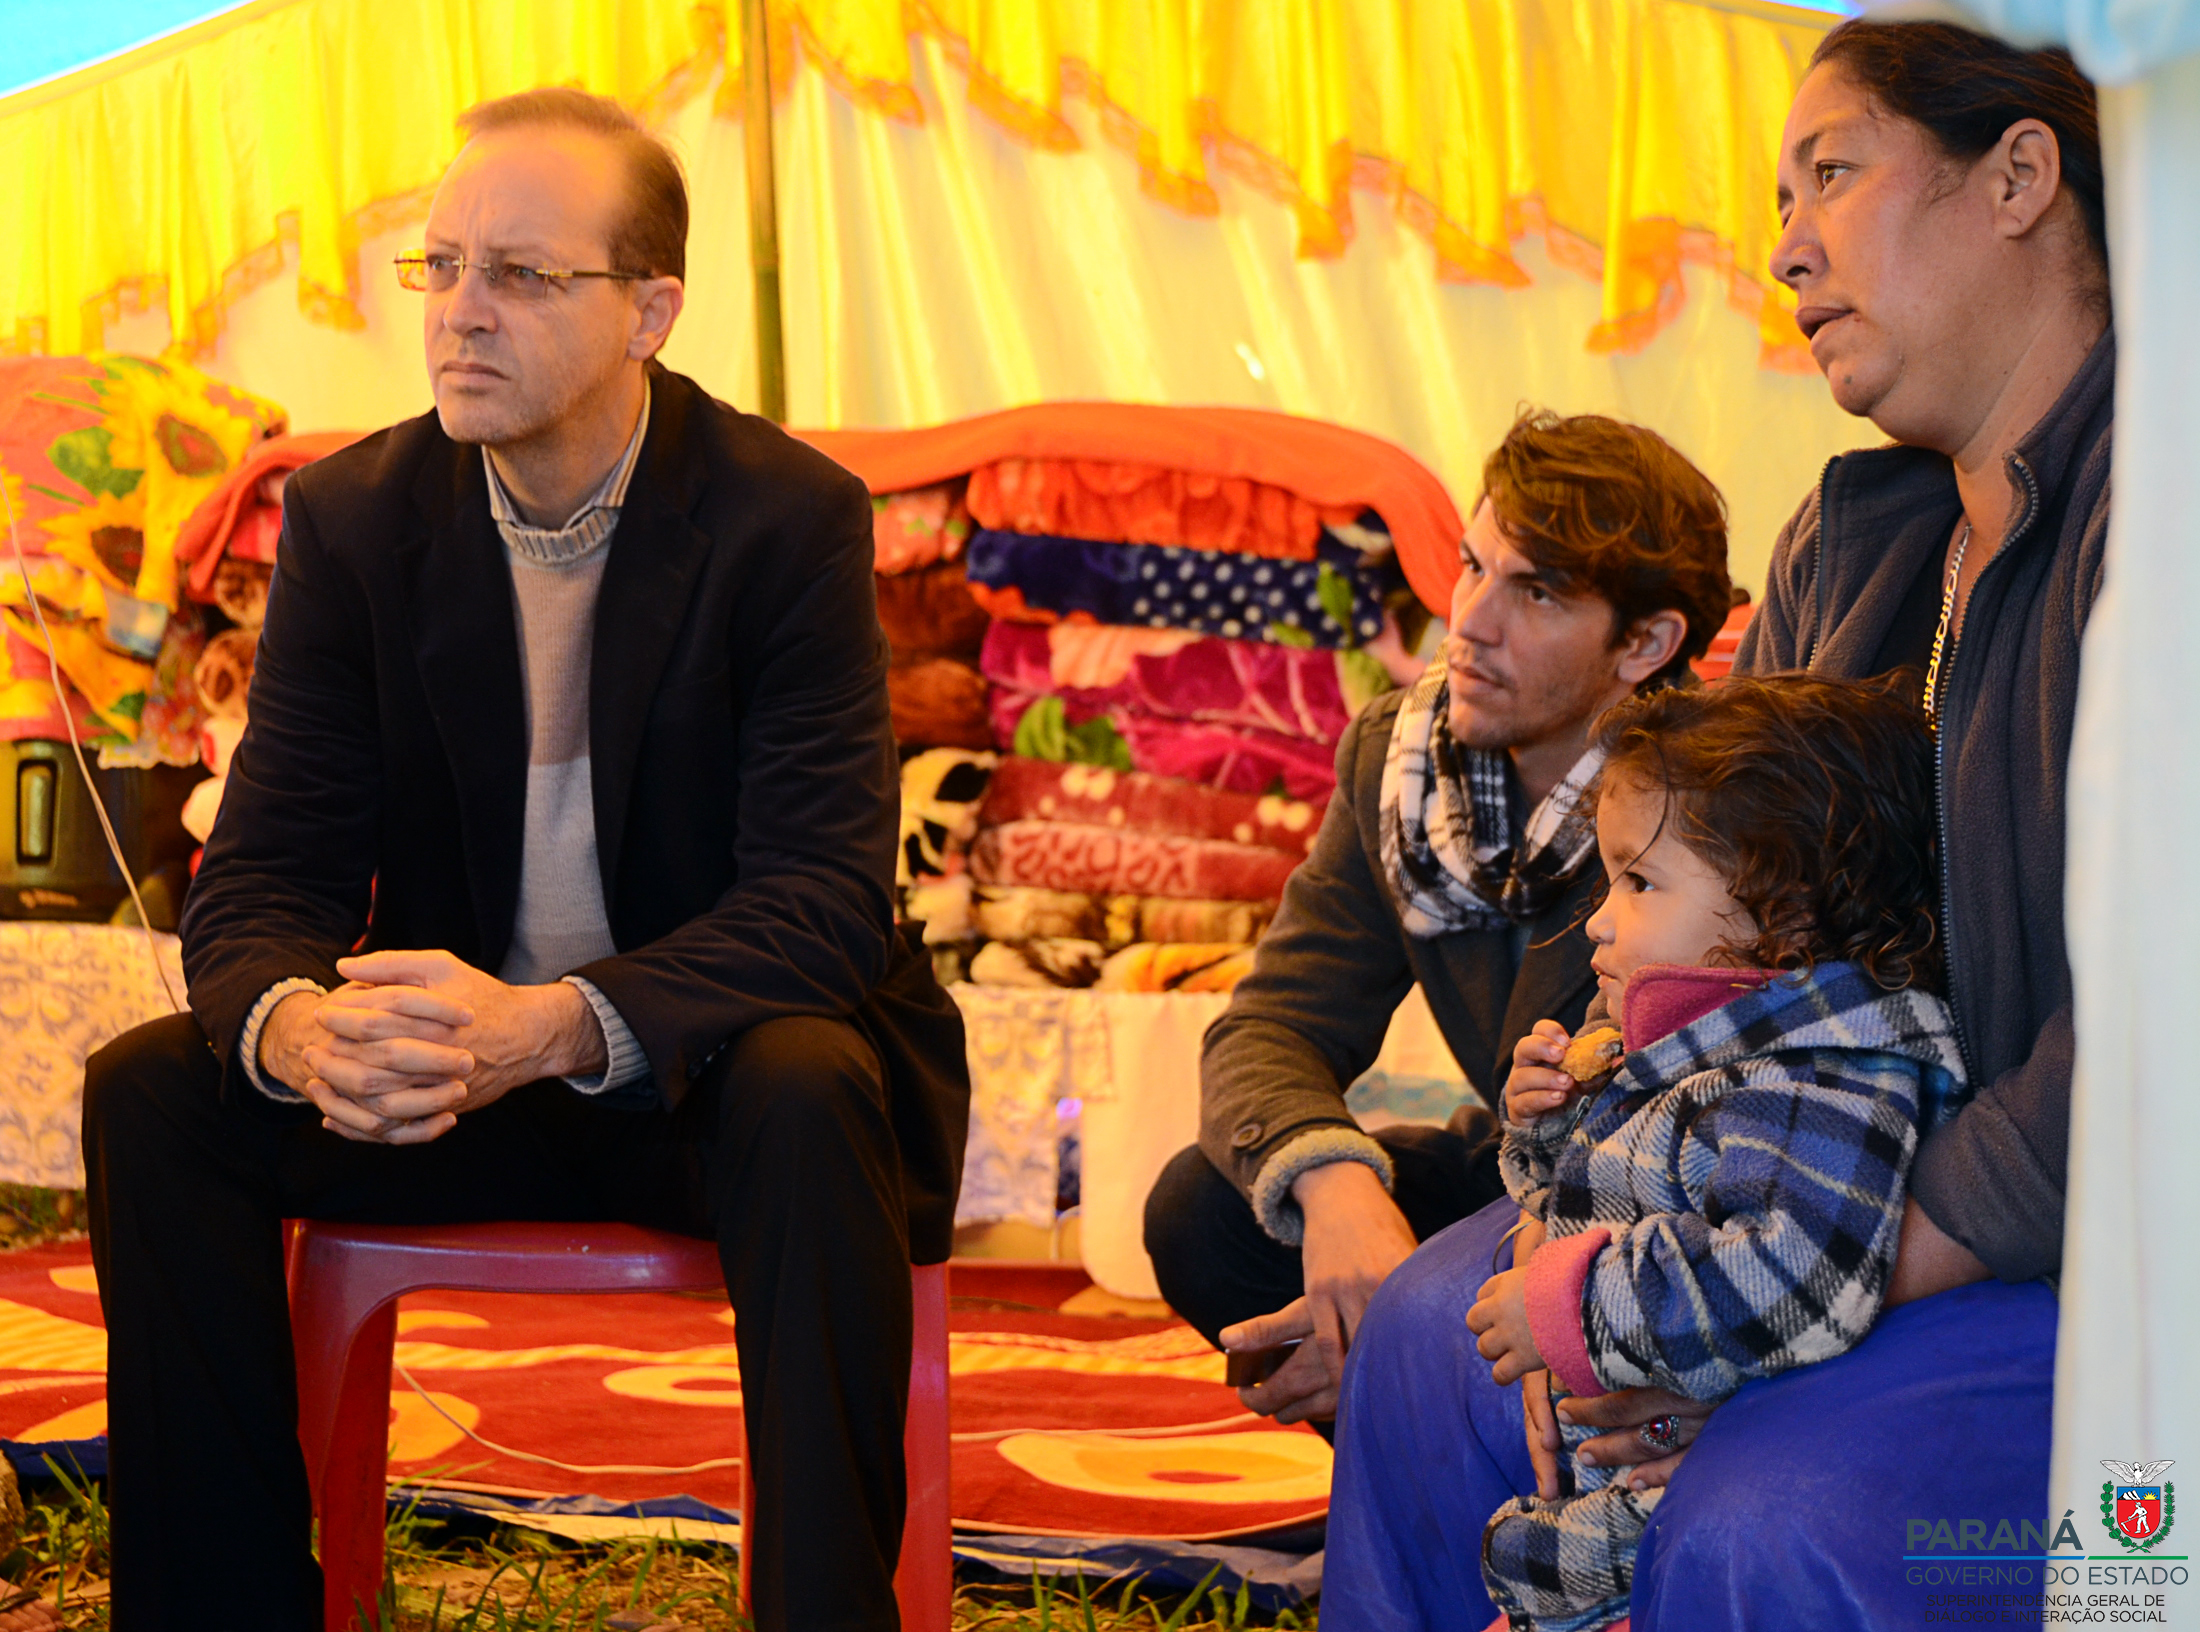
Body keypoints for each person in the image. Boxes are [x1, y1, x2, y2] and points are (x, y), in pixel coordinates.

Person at [80, 89, 968, 1632]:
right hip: (449, 1087)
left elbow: (821, 902)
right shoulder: (357, 519)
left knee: (816, 1078)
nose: (459, 315)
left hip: (707, 1090)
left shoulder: (784, 519)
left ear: (652, 311)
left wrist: (555, 1026)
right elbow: (268, 870)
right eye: (439, 268)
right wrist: (294, 1029)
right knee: (157, 1088)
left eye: (523, 276)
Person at [1321, 21, 2100, 1629]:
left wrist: (1752, 1315)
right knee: (1421, 1337)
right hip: (1790, 1185)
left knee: (1762, 1520)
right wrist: (1626, 1212)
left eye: (1834, 172)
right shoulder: (1854, 538)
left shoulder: (2155, 528)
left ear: (2020, 176)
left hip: (2065, 1250)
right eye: (1777, 196)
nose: (1788, 245)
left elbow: (2157, 1038)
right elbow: (1744, 937)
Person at [1141, 409, 1734, 1428]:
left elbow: (1713, 1148)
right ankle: (1419, 1478)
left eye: (1536, 592)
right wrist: (1331, 1181)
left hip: (1656, 1222)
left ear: (1646, 642)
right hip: (1507, 1178)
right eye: (1472, 566)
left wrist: (1413, 1320)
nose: (1470, 620)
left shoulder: (1718, 801)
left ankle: (1507, 1496)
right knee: (1204, 1209)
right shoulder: (1403, 766)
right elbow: (1272, 1026)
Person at [1472, 675, 1958, 1630]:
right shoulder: (1700, 1041)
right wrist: (1546, 1122)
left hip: (1655, 1523)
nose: (1600, 922)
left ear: (1781, 915)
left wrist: (1572, 1302)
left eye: (1640, 883)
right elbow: (1610, 1185)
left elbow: (1795, 1275)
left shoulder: (1819, 1075)